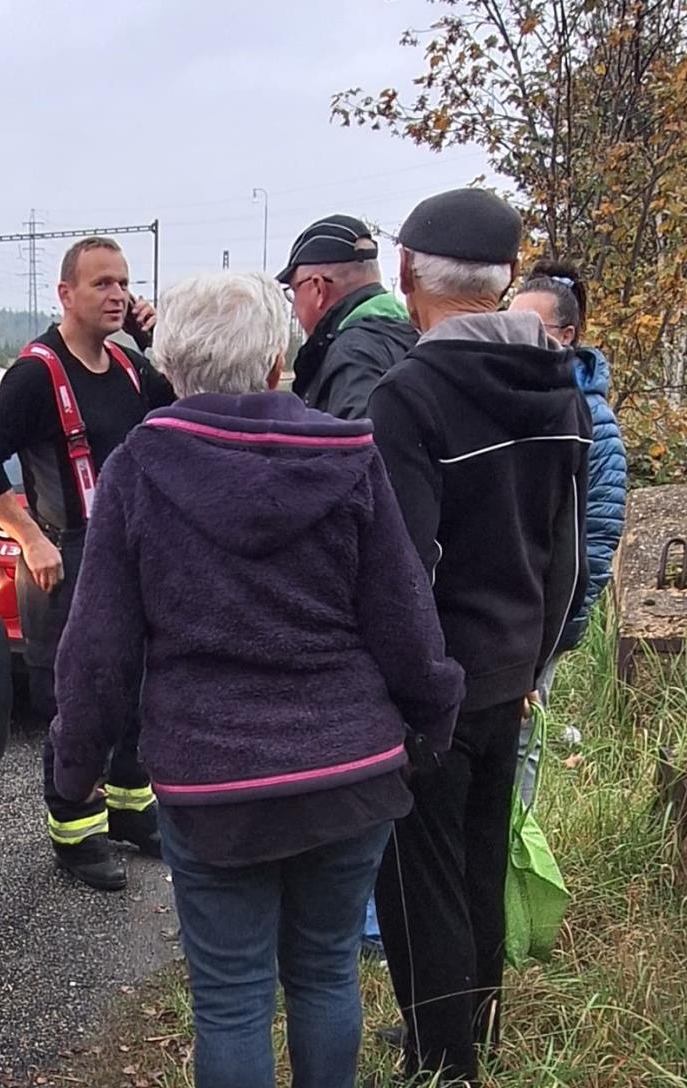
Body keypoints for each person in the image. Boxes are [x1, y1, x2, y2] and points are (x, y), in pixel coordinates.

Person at [49, 271, 464, 1088]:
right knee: (325, 970)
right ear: (279, 360)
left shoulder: (141, 467)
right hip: (349, 769)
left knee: (233, 994)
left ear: (169, 366)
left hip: (215, 780)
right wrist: (431, 720)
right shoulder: (350, 454)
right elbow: (404, 616)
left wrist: (72, 769)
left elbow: (97, 645)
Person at [367, 189, 591, 1088]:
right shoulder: (556, 385)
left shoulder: (409, 395)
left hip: (437, 679)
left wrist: (412, 688)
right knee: (480, 857)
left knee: (420, 875)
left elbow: (404, 565)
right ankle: (474, 1028)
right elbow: (568, 552)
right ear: (504, 279)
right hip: (511, 672)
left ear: (407, 274)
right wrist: (537, 661)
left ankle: (441, 1069)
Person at [0, 237, 176, 891]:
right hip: (64, 559)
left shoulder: (131, 367)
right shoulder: (37, 374)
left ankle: (131, 808)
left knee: (137, 689)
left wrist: (155, 337)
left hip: (129, 553)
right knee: (79, 701)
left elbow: (186, 405)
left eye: (124, 284)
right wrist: (28, 536)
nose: (118, 295)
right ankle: (76, 833)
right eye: (102, 283)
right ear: (66, 294)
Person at [280, 214, 418, 958]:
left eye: (295, 294)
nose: (296, 310)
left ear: (318, 286)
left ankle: (361, 920)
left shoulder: (355, 351)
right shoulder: (402, 333)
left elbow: (354, 469)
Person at [509, 260, 627, 806]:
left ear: (568, 336)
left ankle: (515, 841)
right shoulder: (508, 397)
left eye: (534, 330)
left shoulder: (594, 422)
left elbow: (597, 537)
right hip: (501, 611)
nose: (520, 342)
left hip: (545, 618)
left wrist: (559, 627)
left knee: (522, 739)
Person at [280, 213, 418, 422]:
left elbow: (363, 440)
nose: (294, 305)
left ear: (318, 288)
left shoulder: (352, 356)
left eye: (294, 290)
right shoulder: (416, 334)